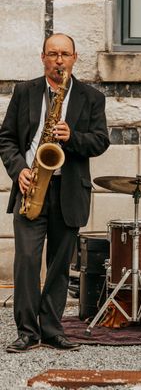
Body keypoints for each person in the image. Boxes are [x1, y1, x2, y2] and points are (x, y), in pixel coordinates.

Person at [0, 33, 110, 353]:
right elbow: (6, 138)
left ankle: (51, 329)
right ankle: (26, 331)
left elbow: (100, 141)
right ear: (42, 57)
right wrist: (18, 168)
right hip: (31, 185)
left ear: (75, 57)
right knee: (27, 261)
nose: (58, 60)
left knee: (60, 264)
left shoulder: (91, 97)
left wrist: (72, 136)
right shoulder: (25, 91)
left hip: (69, 188)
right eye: (52, 54)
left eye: (64, 54)